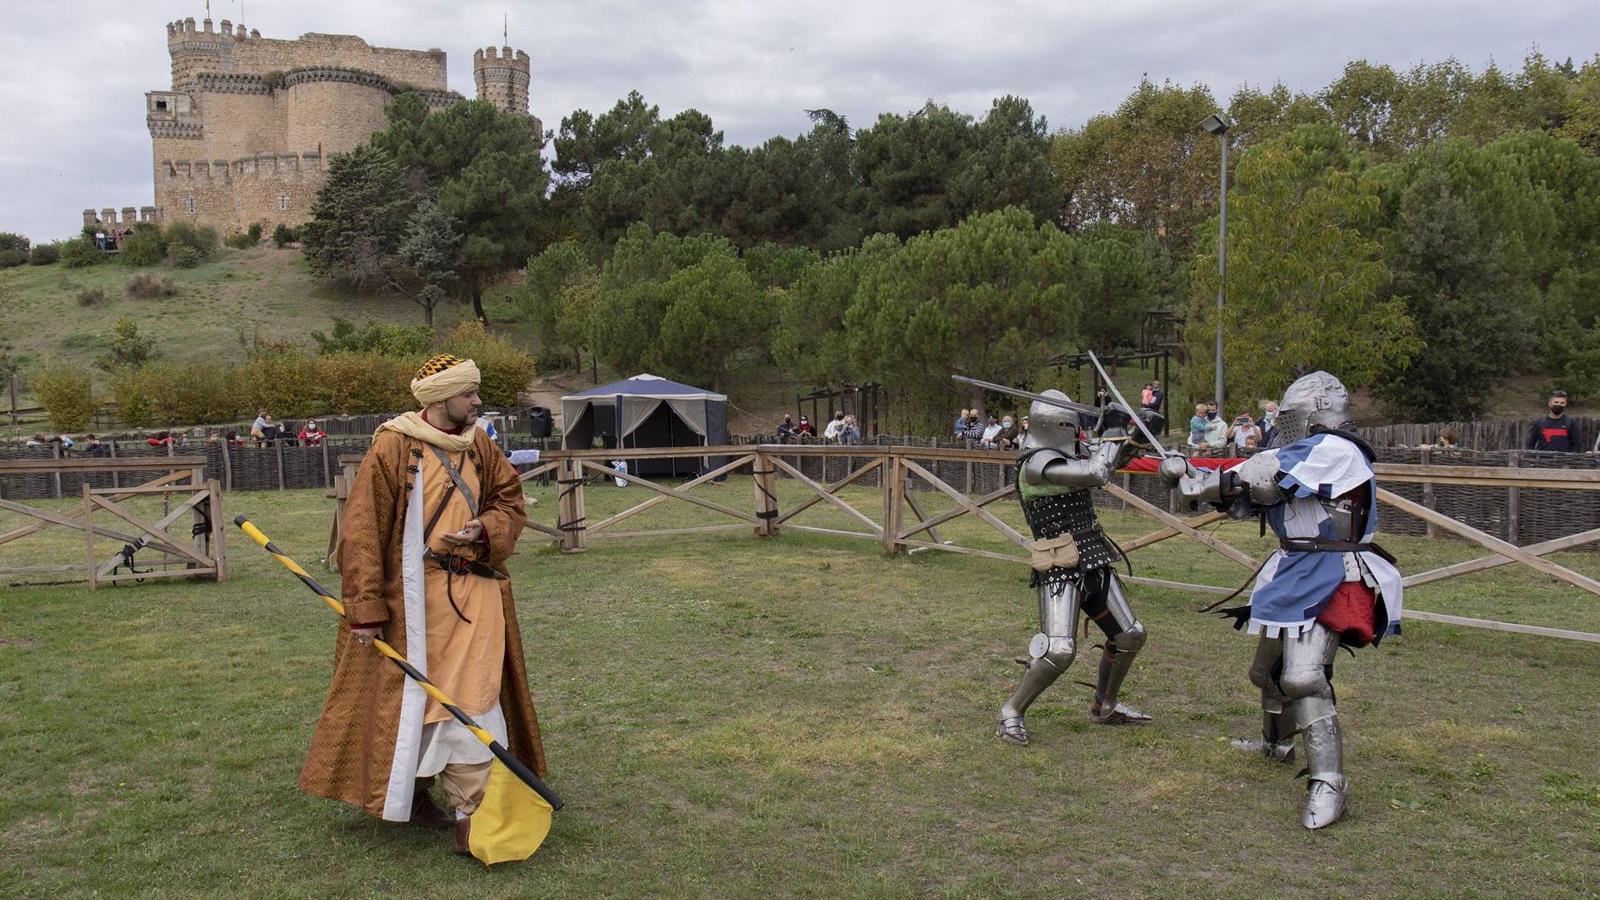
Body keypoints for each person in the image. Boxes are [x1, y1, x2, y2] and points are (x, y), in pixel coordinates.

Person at [301, 353, 546, 854]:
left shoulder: (479, 443)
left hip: (476, 597)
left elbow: (509, 499)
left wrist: (484, 528)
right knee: (416, 702)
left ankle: (471, 814)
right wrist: (366, 608)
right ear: (440, 399)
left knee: (473, 700)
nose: (477, 401)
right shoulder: (394, 446)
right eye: (468, 393)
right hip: (414, 605)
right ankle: (411, 791)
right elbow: (363, 532)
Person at [1161, 371, 1403, 830]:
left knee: (1303, 677)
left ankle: (1329, 781)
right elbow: (1247, 487)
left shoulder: (1336, 450)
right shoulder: (1300, 456)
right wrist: (1186, 473)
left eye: (1289, 416)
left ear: (1315, 413)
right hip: (1293, 569)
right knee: (1265, 673)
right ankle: (1277, 744)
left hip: (1332, 571)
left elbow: (1263, 475)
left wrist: (1198, 481)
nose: (1282, 424)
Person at [996, 389, 1161, 746]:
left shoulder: (1069, 456)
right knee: (1058, 650)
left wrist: (1138, 433)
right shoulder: (1035, 464)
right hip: (1059, 562)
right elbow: (1097, 472)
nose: (1073, 432)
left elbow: (1112, 462)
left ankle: (1106, 705)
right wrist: (1112, 431)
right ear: (1055, 426)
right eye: (1068, 426)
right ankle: (1011, 710)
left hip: (1094, 555)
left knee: (1130, 635)